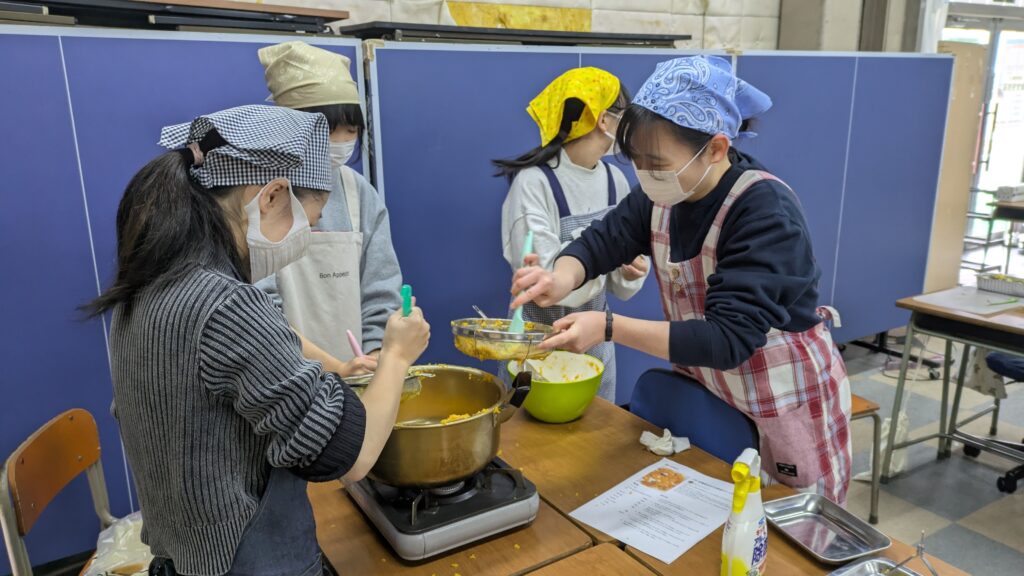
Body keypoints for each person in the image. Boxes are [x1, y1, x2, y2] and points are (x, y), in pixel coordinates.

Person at [86, 105, 430, 575]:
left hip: (183, 558)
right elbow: (351, 456)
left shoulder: (150, 287)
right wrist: (396, 355)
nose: (302, 238)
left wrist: (333, 367)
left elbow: (249, 355)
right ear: (270, 197)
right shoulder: (226, 304)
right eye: (307, 221)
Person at [510, 56, 852, 504]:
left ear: (715, 148)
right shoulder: (666, 192)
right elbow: (603, 242)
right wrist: (561, 277)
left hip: (781, 399)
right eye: (637, 161)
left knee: (787, 536)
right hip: (711, 390)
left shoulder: (764, 210)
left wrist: (609, 328)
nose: (646, 173)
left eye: (657, 161)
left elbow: (729, 339)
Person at [493, 67, 649, 401]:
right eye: (626, 115)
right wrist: (608, 261)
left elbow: (622, 289)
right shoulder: (533, 183)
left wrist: (631, 268)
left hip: (595, 349)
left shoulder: (615, 181)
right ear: (604, 120)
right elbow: (547, 284)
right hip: (537, 349)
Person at [257, 41, 403, 377]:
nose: (341, 141)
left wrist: (375, 357)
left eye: (350, 130)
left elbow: (381, 289)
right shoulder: (258, 197)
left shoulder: (358, 192)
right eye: (328, 130)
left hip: (356, 380)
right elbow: (260, 312)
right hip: (283, 380)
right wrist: (334, 368)